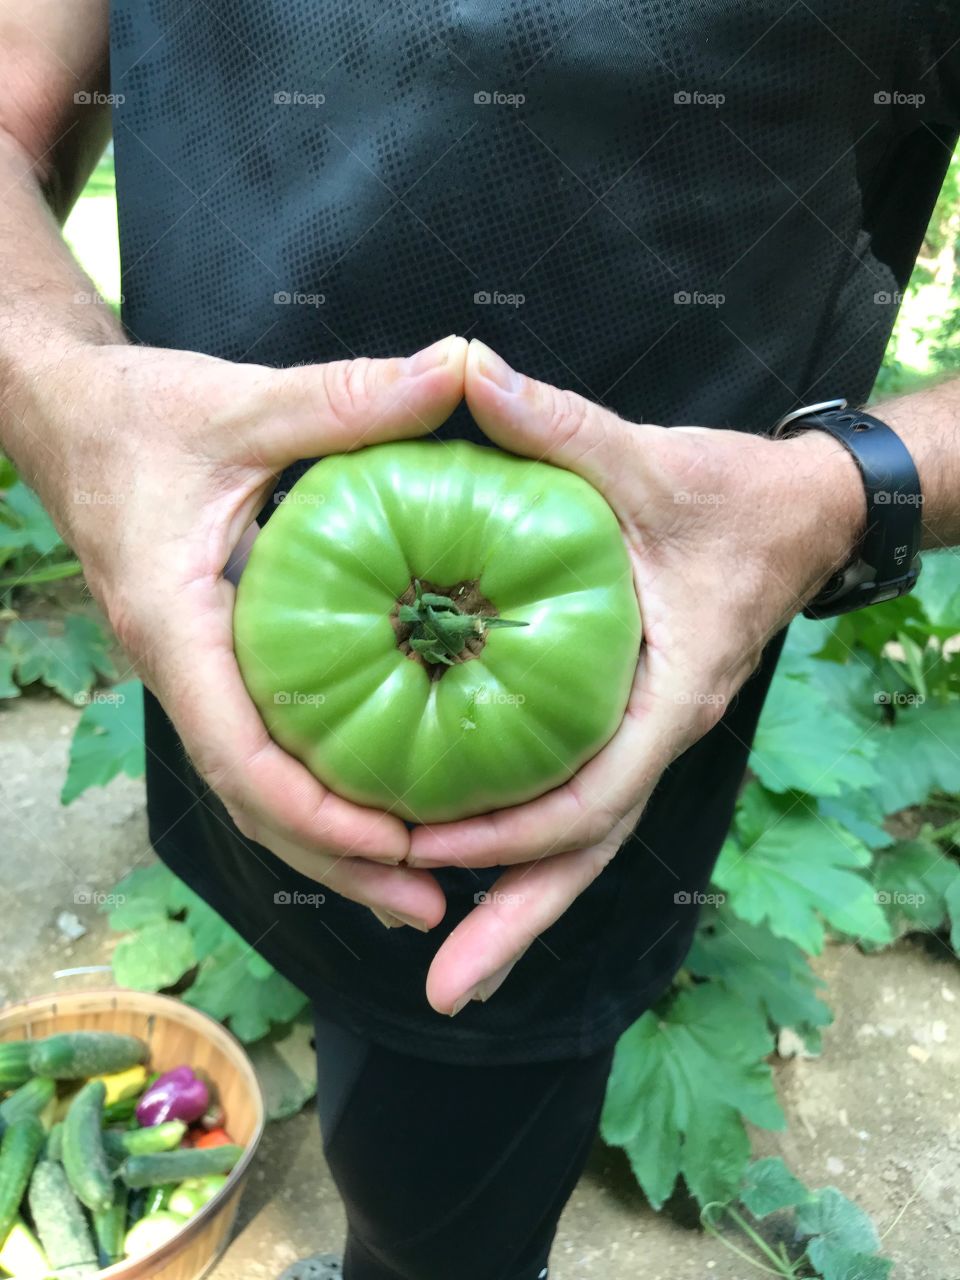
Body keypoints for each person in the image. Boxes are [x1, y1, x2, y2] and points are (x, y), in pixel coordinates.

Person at [2, 2, 959, 1276]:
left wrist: (846, 493)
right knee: (318, 980)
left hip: (613, 777)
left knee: (441, 1190)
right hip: (214, 642)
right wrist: (51, 384)